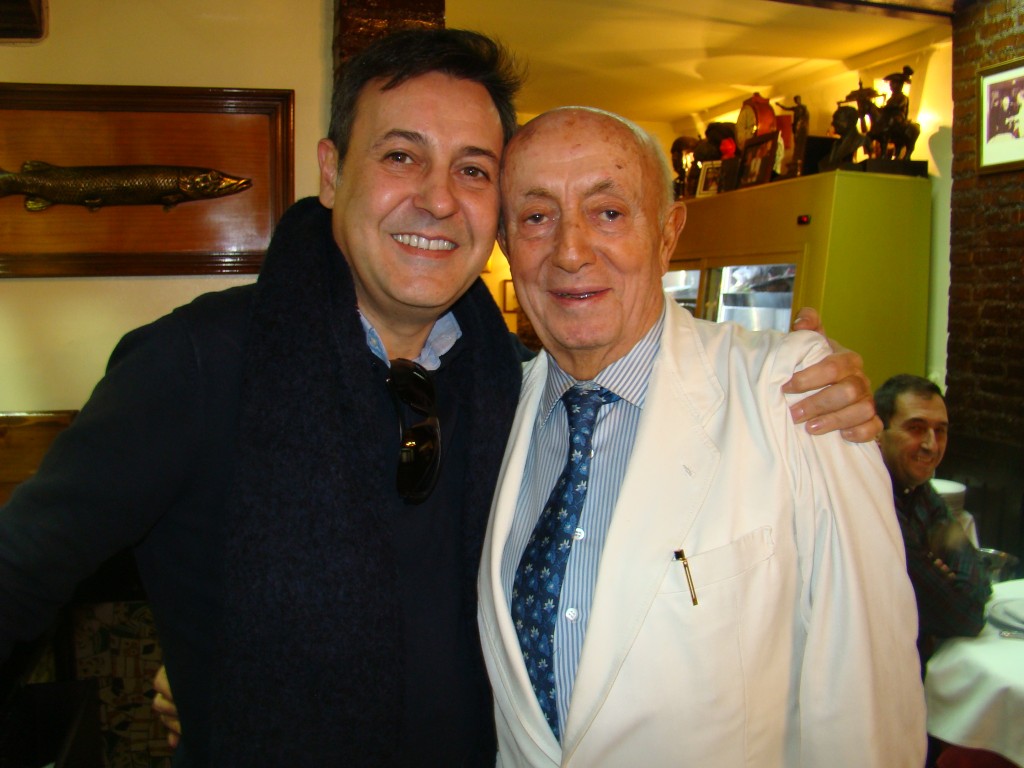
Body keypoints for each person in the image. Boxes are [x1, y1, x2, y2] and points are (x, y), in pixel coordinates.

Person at [0, 29, 876, 767]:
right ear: (331, 172)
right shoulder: (196, 364)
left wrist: (807, 386)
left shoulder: (512, 386)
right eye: (400, 156)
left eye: (473, 170)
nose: (437, 199)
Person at [477, 106, 926, 767]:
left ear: (668, 233)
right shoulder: (490, 412)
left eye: (609, 213)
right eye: (537, 217)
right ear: (505, 243)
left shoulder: (794, 395)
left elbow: (867, 701)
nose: (570, 251)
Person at [875, 375, 991, 671]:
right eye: (916, 428)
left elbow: (975, 574)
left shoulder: (920, 490)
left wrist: (940, 571)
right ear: (878, 432)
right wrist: (940, 569)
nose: (931, 445)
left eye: (940, 431)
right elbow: (963, 615)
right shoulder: (873, 502)